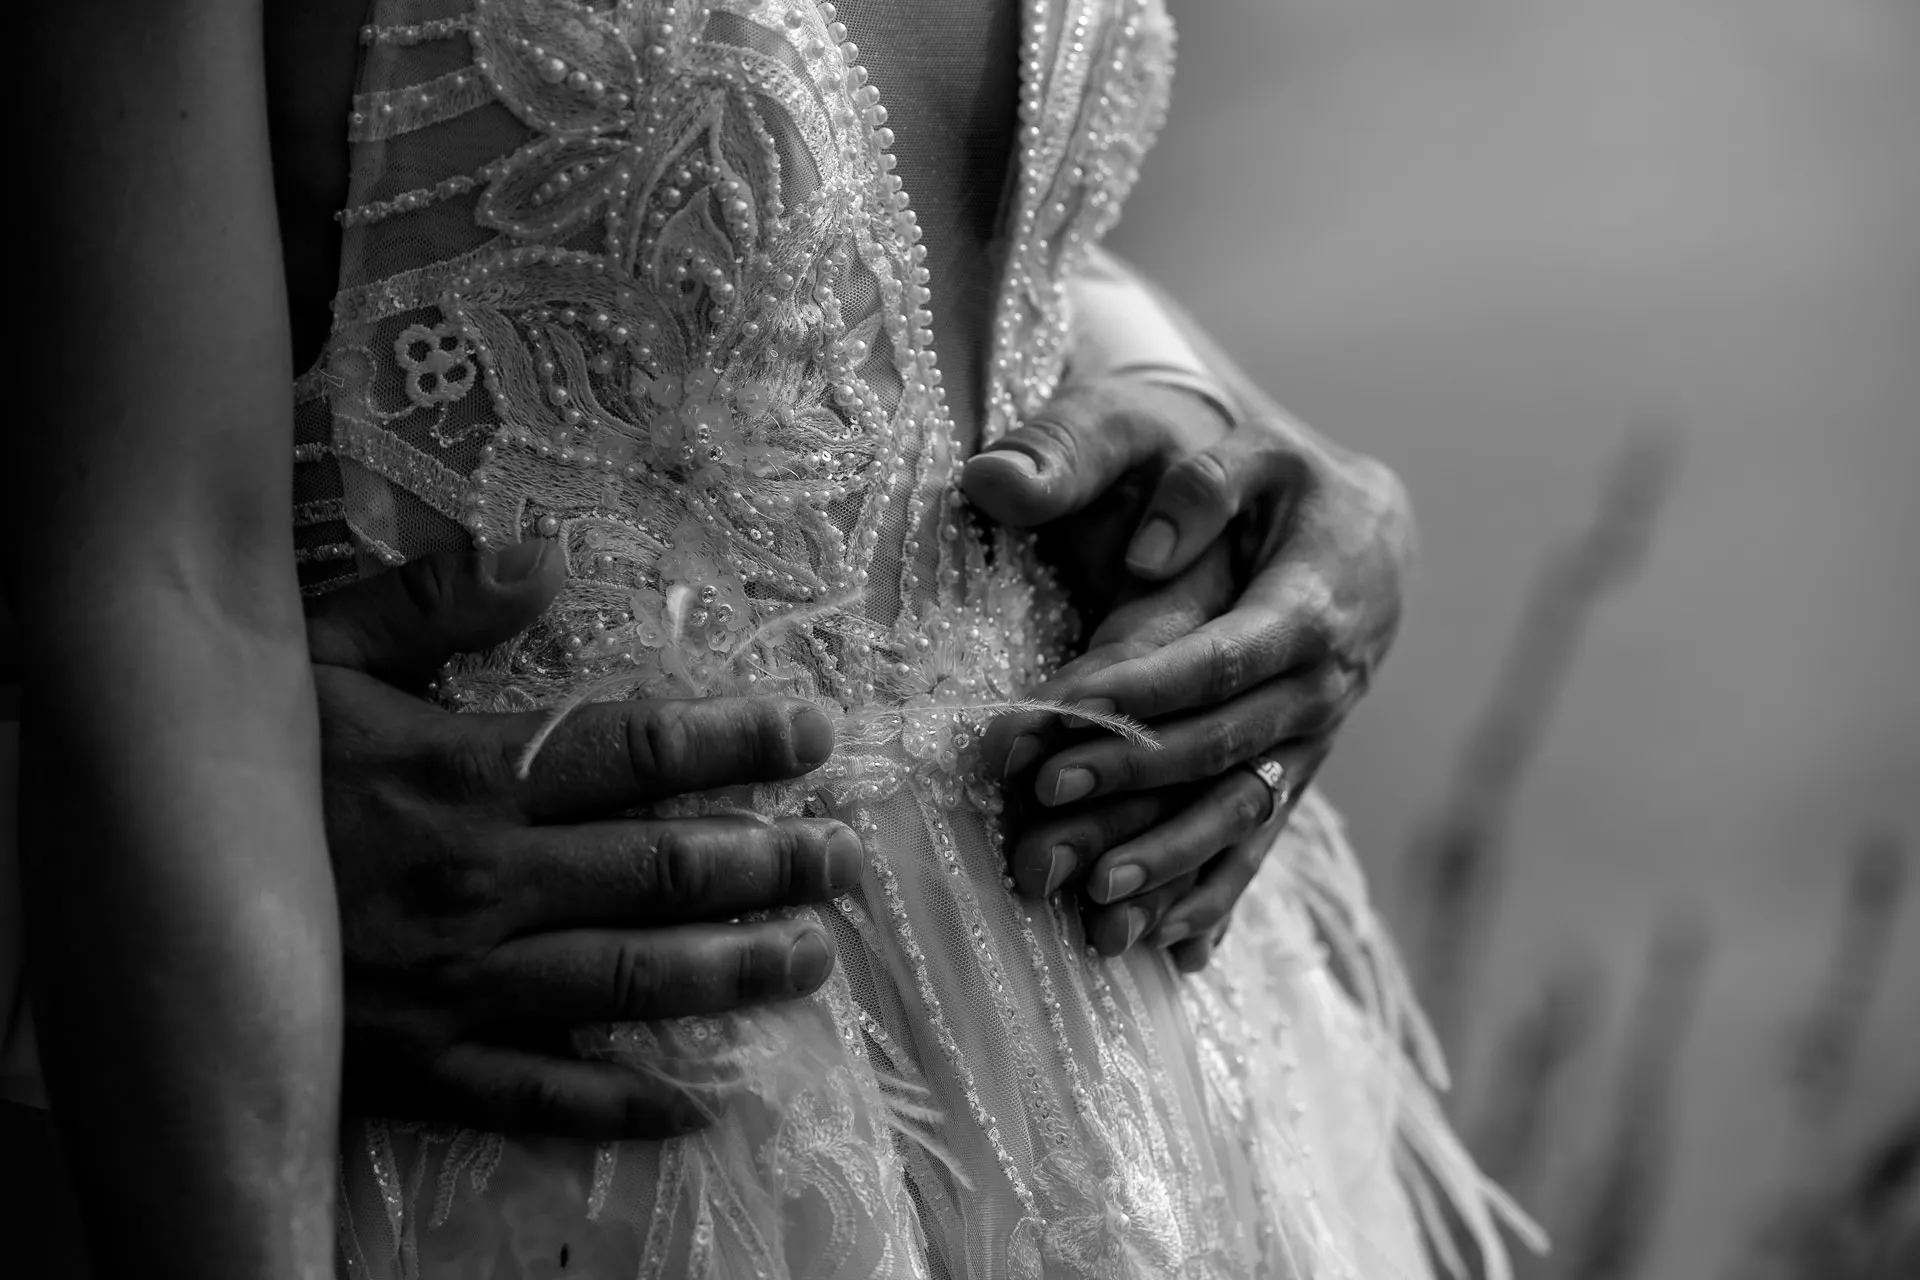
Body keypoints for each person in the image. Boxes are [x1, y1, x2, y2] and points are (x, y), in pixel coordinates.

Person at [8, 0, 1543, 1275]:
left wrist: (1231, 429)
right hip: (577, 1140)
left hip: (1142, 1076)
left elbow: (928, 212)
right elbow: (164, 573)